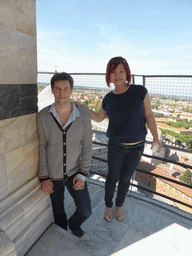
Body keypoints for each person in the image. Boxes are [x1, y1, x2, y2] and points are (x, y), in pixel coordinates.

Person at [75, 56, 161, 222]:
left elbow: (149, 114)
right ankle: (108, 205)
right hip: (116, 146)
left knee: (126, 178)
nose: (117, 75)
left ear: (127, 73)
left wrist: (156, 138)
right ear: (109, 75)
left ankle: (119, 205)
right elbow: (99, 117)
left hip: (137, 147)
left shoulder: (140, 91)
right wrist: (83, 107)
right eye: (113, 72)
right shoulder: (108, 98)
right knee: (112, 176)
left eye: (121, 71)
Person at [37, 72, 92, 238]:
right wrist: (44, 177)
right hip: (53, 175)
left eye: (66, 89)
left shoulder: (83, 117)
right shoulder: (43, 116)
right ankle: (63, 235)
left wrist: (83, 174)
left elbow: (87, 147)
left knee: (86, 210)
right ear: (52, 90)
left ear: (71, 90)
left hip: (76, 173)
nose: (62, 93)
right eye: (58, 89)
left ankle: (73, 224)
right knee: (58, 210)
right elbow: (42, 146)